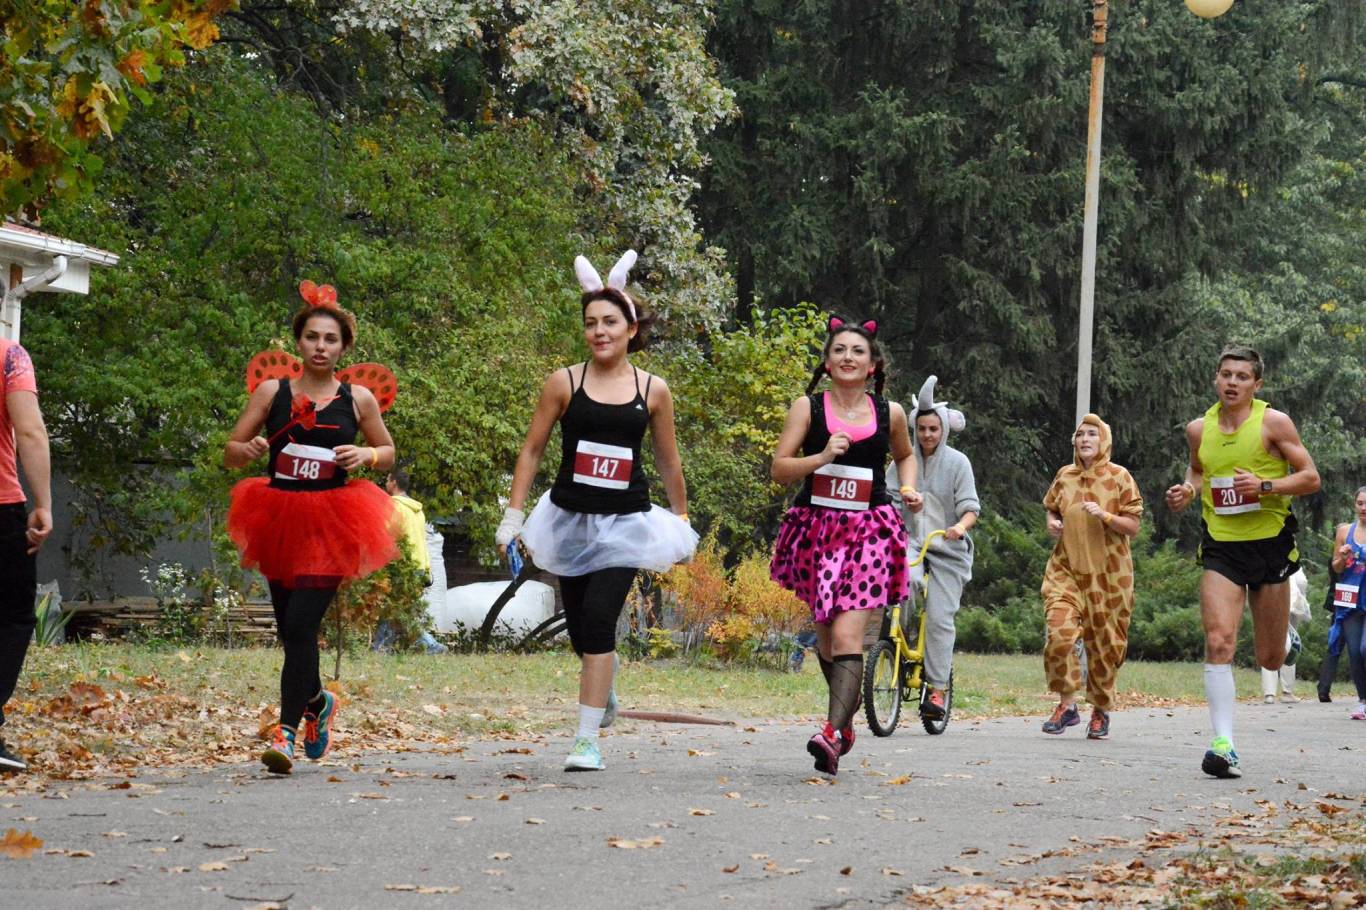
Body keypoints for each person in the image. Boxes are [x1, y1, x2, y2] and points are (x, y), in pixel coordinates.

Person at [495, 251, 696, 772]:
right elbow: (532, 450)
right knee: (583, 632)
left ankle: (586, 740)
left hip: (626, 522)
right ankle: (602, 689)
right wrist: (513, 516)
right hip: (568, 516)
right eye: (590, 323)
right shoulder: (563, 382)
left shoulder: (653, 389)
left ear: (631, 328)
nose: (599, 331)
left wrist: (681, 518)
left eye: (609, 322)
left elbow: (668, 459)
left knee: (602, 620)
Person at [225, 281, 399, 774]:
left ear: (344, 347)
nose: (321, 346)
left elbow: (387, 451)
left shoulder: (358, 398)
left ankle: (285, 733)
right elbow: (231, 451)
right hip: (278, 515)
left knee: (302, 625)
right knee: (291, 631)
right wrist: (249, 450)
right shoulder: (271, 392)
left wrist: (366, 453)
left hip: (334, 519)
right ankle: (319, 701)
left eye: (331, 339)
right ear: (298, 342)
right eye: (312, 337)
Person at [770, 316, 920, 776]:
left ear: (873, 364)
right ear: (827, 361)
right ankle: (846, 718)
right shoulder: (808, 408)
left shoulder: (889, 412)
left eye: (858, 351)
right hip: (816, 532)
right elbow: (779, 468)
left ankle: (831, 734)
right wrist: (821, 456)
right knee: (827, 641)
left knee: (849, 636)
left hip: (869, 531)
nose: (848, 357)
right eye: (839, 350)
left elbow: (905, 454)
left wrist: (909, 487)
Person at [1165, 344, 1320, 779]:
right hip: (1222, 547)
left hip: (1270, 544)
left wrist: (1265, 486)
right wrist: (1188, 491)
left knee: (1270, 659)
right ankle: (1223, 745)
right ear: (1216, 378)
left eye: (1241, 376)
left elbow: (1310, 477)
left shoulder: (1273, 423)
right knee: (1219, 641)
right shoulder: (1199, 429)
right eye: (1225, 374)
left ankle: (1288, 639)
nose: (1232, 382)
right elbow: (1198, 470)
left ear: (1257, 384)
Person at [1039, 414, 1143, 739]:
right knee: (1058, 633)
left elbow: (1133, 526)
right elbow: (1051, 507)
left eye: (1092, 435)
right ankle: (1067, 704)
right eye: (1080, 434)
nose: (1085, 439)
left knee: (1105, 647)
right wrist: (1052, 521)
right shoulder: (1064, 476)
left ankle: (1100, 711)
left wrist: (1107, 515)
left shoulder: (1119, 477)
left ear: (1104, 441)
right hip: (1066, 569)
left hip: (1110, 576)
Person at [885, 375, 978, 721]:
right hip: (910, 543)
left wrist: (958, 527)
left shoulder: (958, 463)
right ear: (914, 429)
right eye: (921, 429)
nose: (926, 435)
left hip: (949, 549)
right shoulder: (900, 464)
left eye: (933, 429)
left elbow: (971, 508)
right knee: (902, 584)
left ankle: (937, 689)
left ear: (943, 431)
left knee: (940, 618)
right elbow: (887, 503)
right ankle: (899, 641)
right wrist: (900, 511)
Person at [0, 335, 52, 772]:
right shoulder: (9, 356)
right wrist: (44, 504)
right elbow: (30, 431)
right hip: (1, 509)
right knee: (13, 617)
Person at [378, 469, 447, 654]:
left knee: (392, 608)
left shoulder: (394, 506)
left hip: (403, 565)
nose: (385, 483)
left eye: (387, 479)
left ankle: (381, 648)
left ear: (393, 483)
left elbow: (387, 533)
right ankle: (383, 647)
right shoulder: (418, 511)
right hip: (419, 566)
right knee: (401, 610)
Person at [1327, 486, 1366, 720]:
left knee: (1365, 648)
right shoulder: (1344, 531)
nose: (1364, 508)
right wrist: (1342, 557)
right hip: (1349, 597)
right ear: (1355, 505)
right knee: (1353, 652)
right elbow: (1336, 568)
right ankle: (1363, 700)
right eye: (1360, 503)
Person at [1260, 568, 1308, 703]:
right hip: (1291, 605)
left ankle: (1269, 693)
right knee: (1290, 644)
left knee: (1269, 643)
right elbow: (1302, 581)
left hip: (1266, 602)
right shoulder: (1291, 557)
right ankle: (1287, 691)